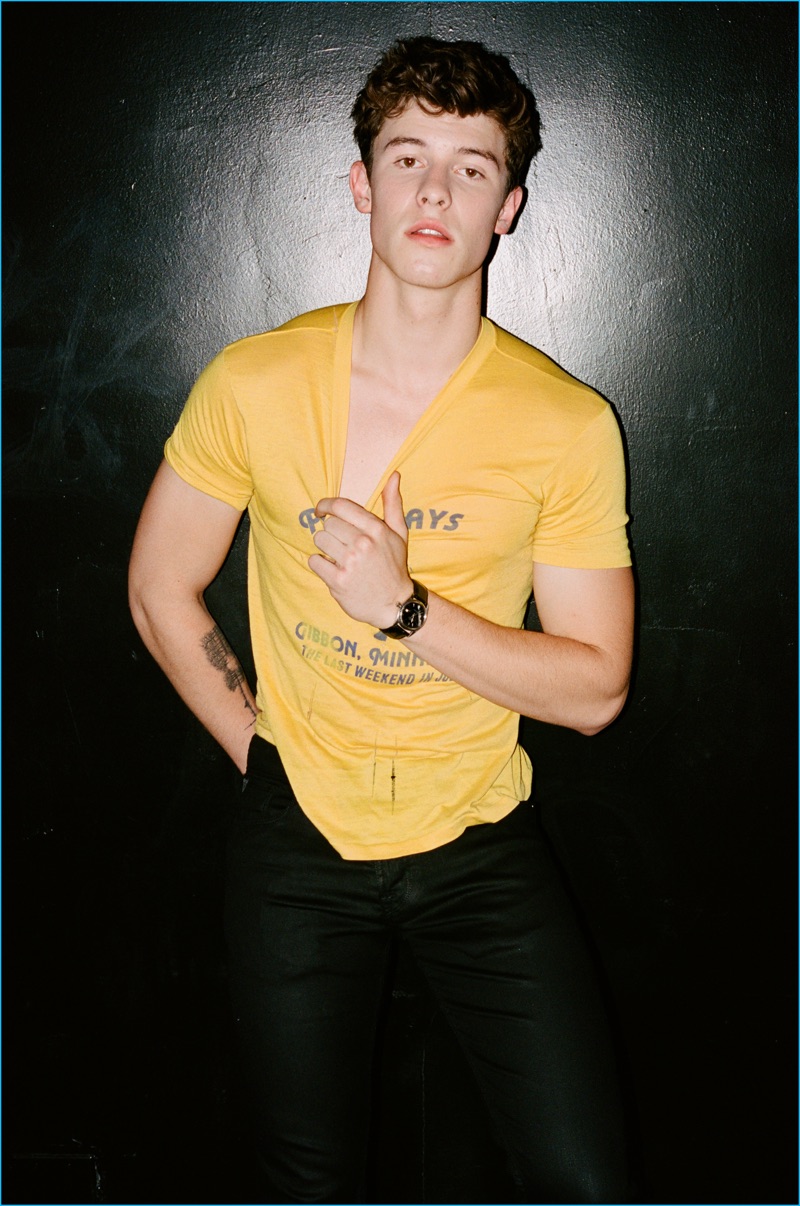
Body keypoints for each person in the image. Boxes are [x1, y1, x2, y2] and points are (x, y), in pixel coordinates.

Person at [129, 35, 635, 1204]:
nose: (434, 191)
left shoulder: (564, 423)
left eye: (470, 168)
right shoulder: (253, 382)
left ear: (507, 209)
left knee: (585, 1181)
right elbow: (159, 585)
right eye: (407, 158)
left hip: (477, 840)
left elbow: (595, 692)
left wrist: (403, 610)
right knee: (306, 1181)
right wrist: (260, 753)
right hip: (296, 836)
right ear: (360, 185)